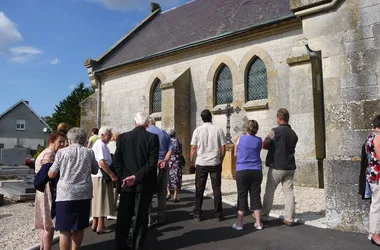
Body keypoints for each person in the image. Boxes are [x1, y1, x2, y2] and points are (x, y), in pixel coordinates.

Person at [113, 112, 159, 250]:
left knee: (123, 216)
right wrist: (136, 177)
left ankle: (120, 244)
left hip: (126, 183)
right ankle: (137, 245)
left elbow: (117, 160)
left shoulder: (122, 137)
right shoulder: (152, 138)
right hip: (143, 183)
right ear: (147, 124)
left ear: (134, 122)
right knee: (141, 216)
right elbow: (152, 163)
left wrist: (125, 177)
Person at [48, 128, 99, 250]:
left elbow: (52, 174)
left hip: (65, 194)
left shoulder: (61, 152)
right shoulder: (89, 153)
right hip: (83, 194)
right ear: (84, 140)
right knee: (79, 227)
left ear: (70, 140)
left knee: (65, 229)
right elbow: (95, 170)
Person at [262, 108, 298, 226]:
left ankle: (264, 215)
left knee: (270, 191)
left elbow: (265, 143)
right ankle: (289, 218)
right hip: (290, 166)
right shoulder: (293, 133)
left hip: (277, 166)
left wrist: (271, 146)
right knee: (289, 193)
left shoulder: (274, 131)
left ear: (279, 118)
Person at [190, 109, 227, 222]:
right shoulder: (218, 129)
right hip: (215, 162)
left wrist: (192, 162)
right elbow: (223, 147)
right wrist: (220, 159)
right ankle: (218, 214)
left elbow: (193, 148)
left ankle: (197, 213)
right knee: (216, 188)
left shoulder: (197, 130)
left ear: (202, 118)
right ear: (211, 117)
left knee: (199, 189)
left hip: (201, 163)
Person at [34, 131, 66, 250]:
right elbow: (50, 175)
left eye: (64, 141)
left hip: (42, 190)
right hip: (48, 190)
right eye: (60, 141)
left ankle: (43, 248)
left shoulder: (43, 152)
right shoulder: (50, 154)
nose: (62, 144)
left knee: (45, 225)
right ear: (52, 141)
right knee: (49, 225)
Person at [232, 120, 263, 231]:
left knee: (242, 196)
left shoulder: (240, 139)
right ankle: (259, 223)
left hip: (242, 170)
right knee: (255, 195)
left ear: (246, 128)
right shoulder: (259, 140)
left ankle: (239, 224)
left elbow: (236, 154)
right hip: (256, 170)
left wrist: (236, 143)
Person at [146, 117, 172, 226]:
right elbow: (170, 149)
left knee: (148, 193)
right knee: (162, 192)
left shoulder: (145, 133)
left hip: (150, 166)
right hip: (163, 165)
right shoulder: (164, 133)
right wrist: (164, 161)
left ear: (147, 123)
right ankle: (161, 216)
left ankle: (149, 218)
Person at [91, 126, 117, 233]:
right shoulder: (101, 145)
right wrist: (112, 175)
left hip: (97, 176)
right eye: (109, 135)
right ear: (102, 135)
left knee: (97, 200)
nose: (110, 137)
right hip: (102, 176)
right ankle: (100, 226)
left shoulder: (99, 144)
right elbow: (102, 163)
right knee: (102, 200)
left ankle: (95, 223)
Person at [365, 115, 380, 246]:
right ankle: (375, 234)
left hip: (372, 174)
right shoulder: (379, 136)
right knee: (377, 204)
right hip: (378, 175)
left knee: (375, 203)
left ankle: (373, 232)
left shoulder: (370, 136)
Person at [166, 129, 184, 202]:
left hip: (168, 161)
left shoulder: (166, 142)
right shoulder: (178, 141)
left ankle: (168, 193)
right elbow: (180, 151)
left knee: (168, 177)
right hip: (176, 161)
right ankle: (175, 196)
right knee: (176, 178)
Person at [107, 131, 121, 220]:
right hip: (115, 170)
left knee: (109, 192)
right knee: (115, 191)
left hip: (107, 171)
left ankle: (109, 210)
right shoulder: (117, 146)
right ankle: (111, 211)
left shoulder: (107, 145)